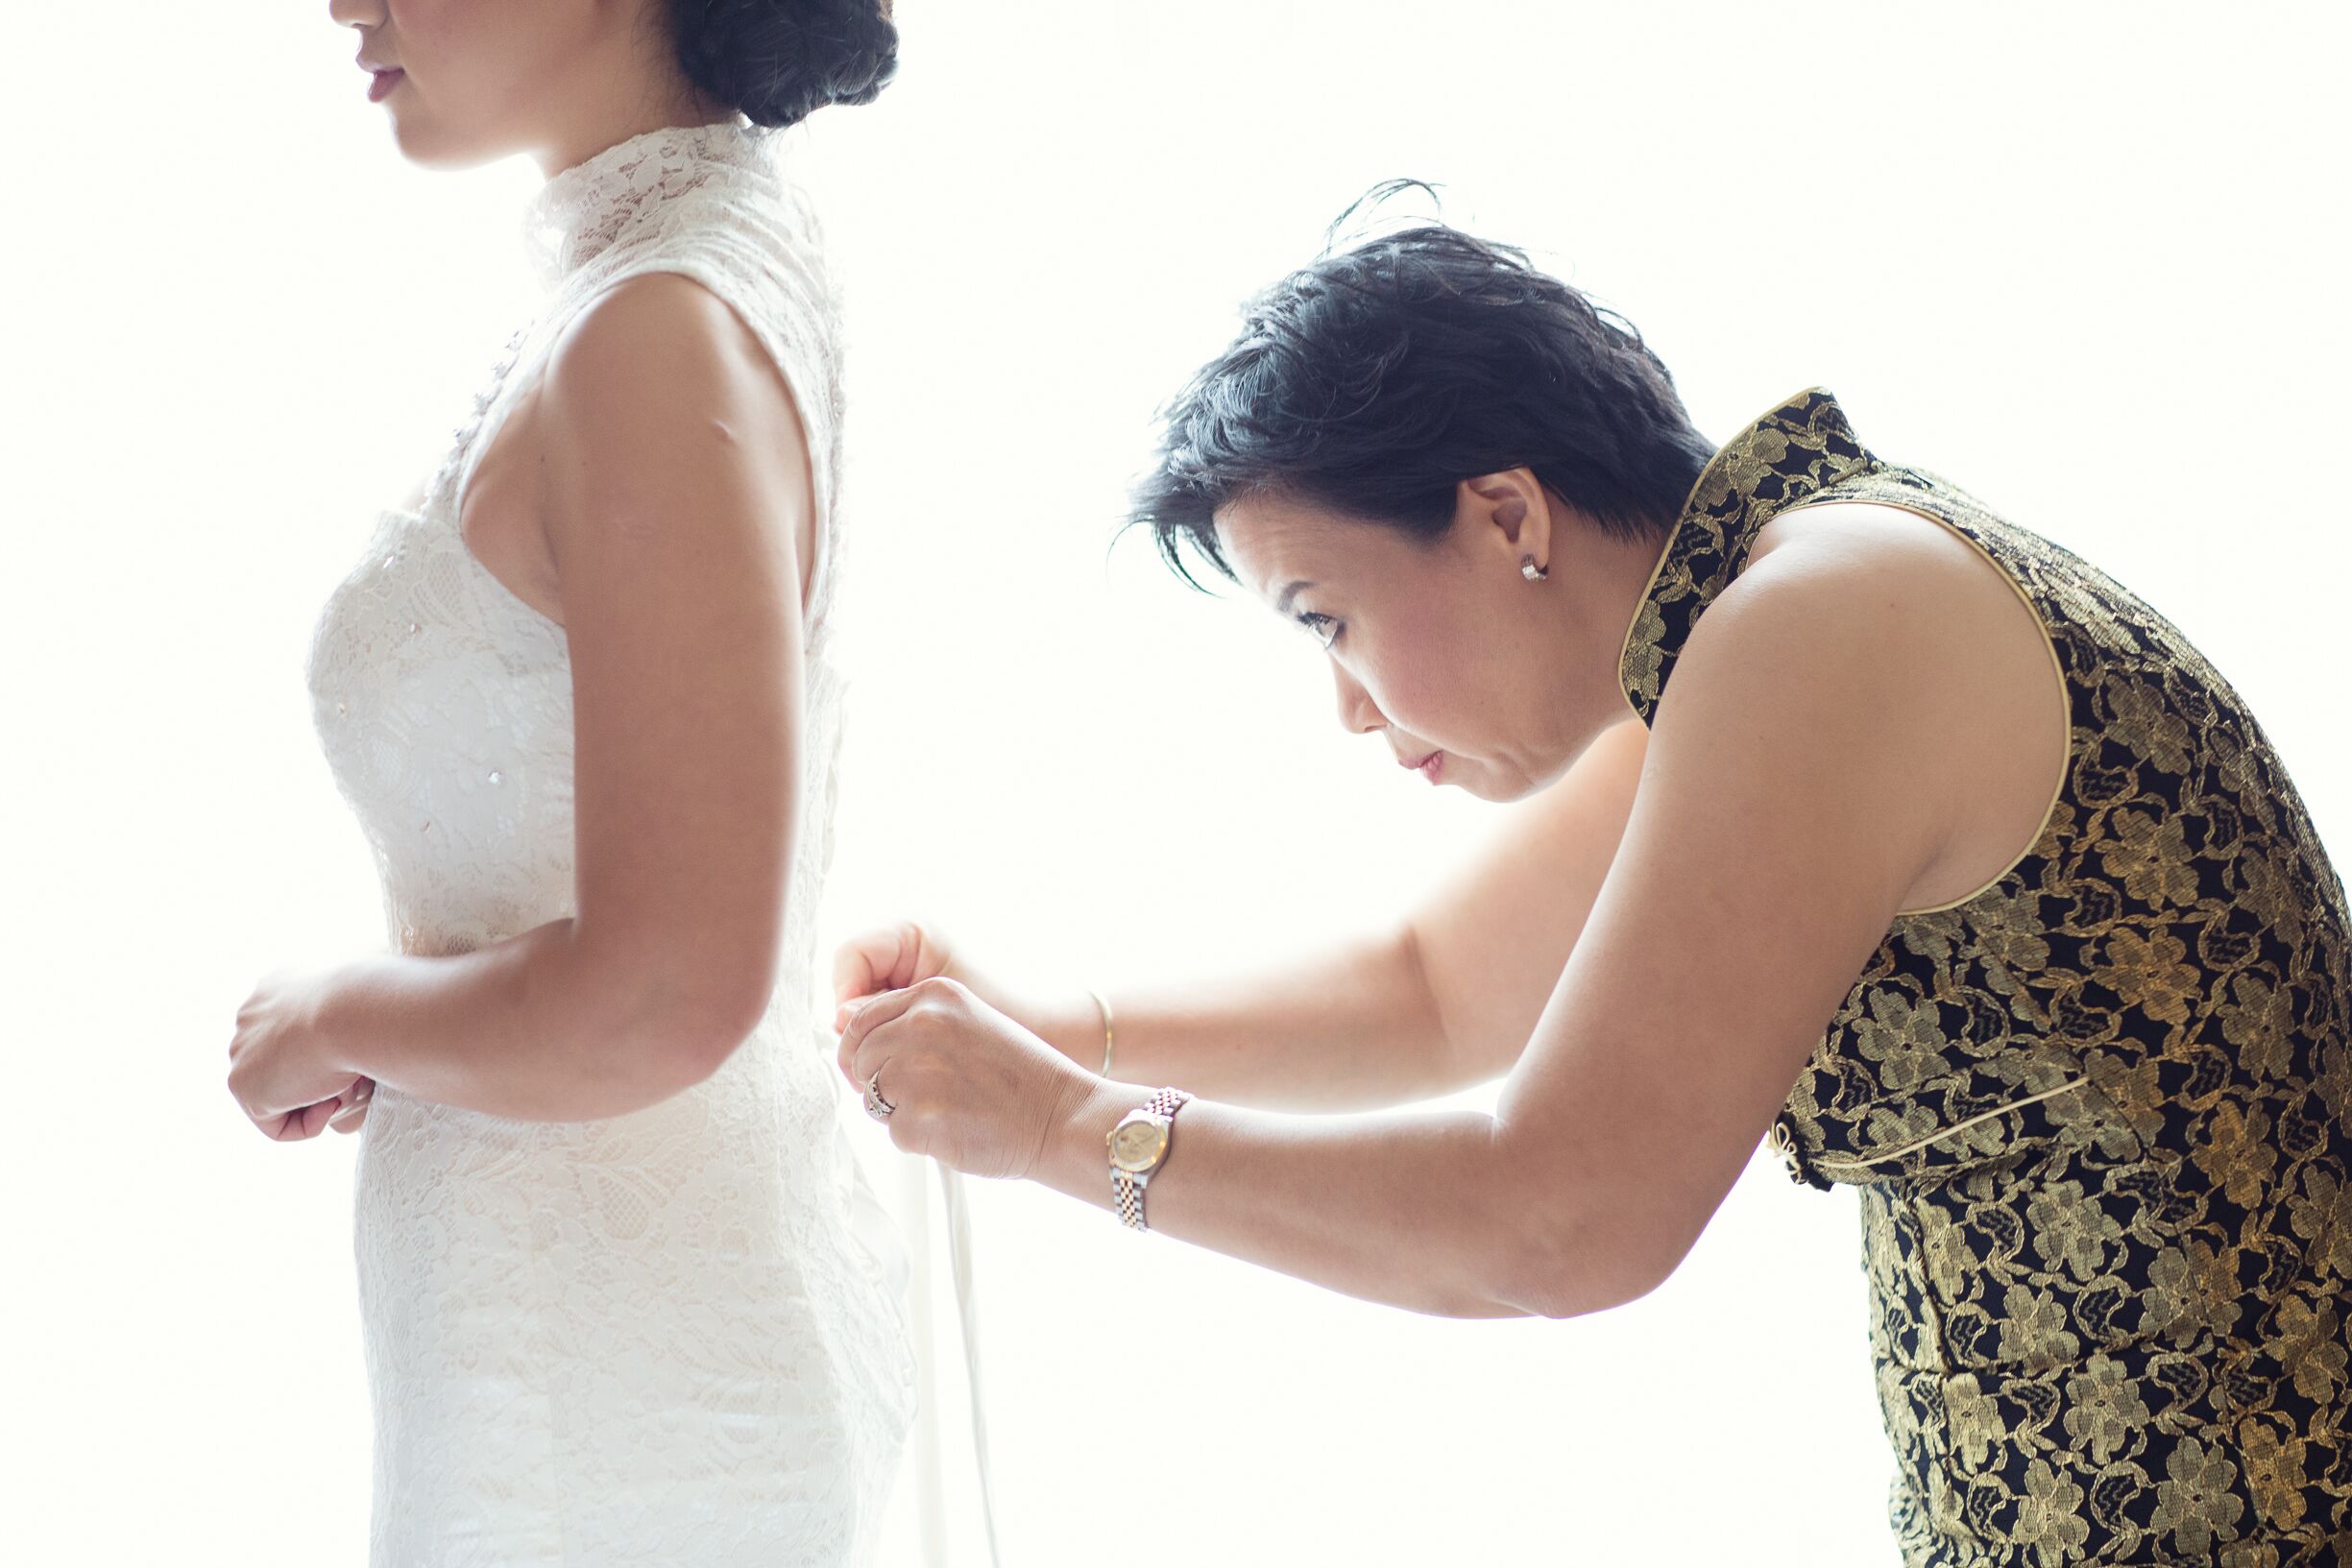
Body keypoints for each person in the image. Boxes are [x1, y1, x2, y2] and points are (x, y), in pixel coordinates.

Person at [833, 215, 2352, 1565]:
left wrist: (1055, 1130)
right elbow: (1434, 989)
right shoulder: (1776, 611)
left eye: (1327, 618)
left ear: (1504, 515)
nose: (1349, 710)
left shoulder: (1818, 627)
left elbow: (1558, 1220)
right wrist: (1045, 1029)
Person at [224, 3, 917, 1562]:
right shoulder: (669, 262)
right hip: (585, 1338)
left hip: (613, 1400)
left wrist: (333, 1012)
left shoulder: (657, 325)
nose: (342, 2)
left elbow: (666, 985)